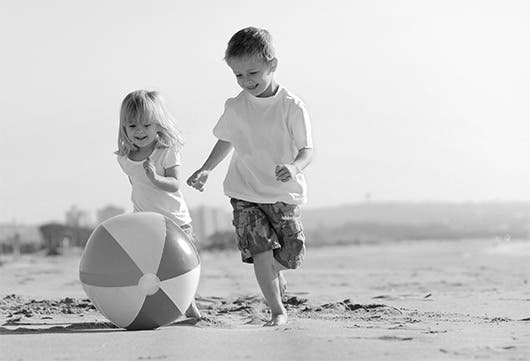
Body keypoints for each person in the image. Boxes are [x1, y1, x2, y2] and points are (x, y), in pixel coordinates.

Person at [187, 27, 313, 326]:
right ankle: (276, 309)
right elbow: (226, 139)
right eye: (238, 76)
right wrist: (206, 168)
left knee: (293, 253)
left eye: (253, 72)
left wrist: (294, 167)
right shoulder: (236, 106)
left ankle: (275, 271)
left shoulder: (291, 107)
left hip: (283, 194)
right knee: (260, 252)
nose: (246, 82)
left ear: (273, 65)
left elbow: (307, 150)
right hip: (244, 192)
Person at [116, 89, 201, 319]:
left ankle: (189, 303)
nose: (139, 131)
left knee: (181, 266)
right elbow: (136, 186)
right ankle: (150, 304)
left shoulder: (166, 152)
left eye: (146, 124)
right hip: (146, 222)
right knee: (149, 267)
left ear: (158, 125)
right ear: (123, 128)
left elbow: (174, 184)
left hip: (175, 220)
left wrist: (155, 178)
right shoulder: (124, 158)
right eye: (132, 126)